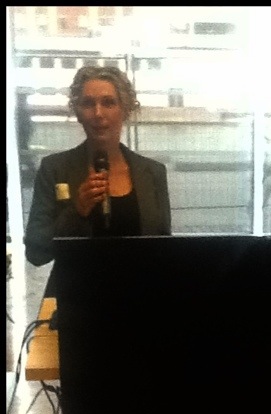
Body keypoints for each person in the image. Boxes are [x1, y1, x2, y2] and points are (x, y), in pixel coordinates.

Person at [24, 65, 172, 295]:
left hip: (142, 299)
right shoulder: (55, 169)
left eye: (108, 102)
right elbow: (36, 252)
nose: (98, 113)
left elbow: (164, 250)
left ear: (125, 109)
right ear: (77, 112)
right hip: (77, 301)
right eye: (88, 103)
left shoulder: (153, 172)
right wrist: (76, 212)